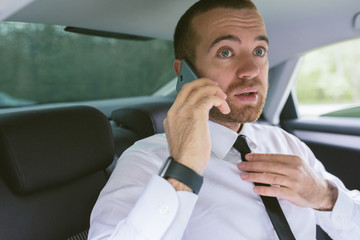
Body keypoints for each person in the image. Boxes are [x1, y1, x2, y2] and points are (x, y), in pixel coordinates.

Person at [88, 0, 360, 239]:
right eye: (226, 52)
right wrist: (183, 169)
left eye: (259, 51)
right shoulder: (147, 160)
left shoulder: (287, 144)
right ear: (184, 72)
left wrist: (325, 196)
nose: (251, 70)